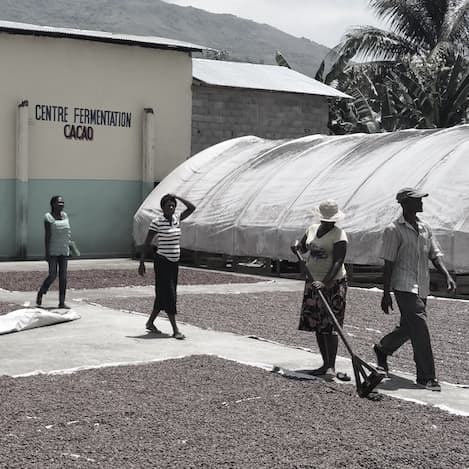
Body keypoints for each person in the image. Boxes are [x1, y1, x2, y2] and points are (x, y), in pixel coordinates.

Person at [374, 187, 456, 392]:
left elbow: (434, 255)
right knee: (419, 326)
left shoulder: (425, 228)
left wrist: (446, 275)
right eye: (417, 200)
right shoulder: (393, 229)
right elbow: (389, 263)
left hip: (422, 285)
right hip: (403, 285)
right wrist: (386, 294)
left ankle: (383, 348)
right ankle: (426, 376)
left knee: (409, 327)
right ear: (405, 204)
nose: (421, 203)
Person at [293, 199, 350, 381]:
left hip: (333, 284)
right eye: (326, 220)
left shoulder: (339, 235)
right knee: (317, 323)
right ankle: (325, 363)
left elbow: (338, 261)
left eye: (331, 220)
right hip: (312, 280)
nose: (328, 223)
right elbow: (302, 248)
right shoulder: (311, 229)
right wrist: (296, 249)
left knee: (330, 325)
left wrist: (325, 282)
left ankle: (331, 366)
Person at [138, 193, 195, 339]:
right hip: (162, 262)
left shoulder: (176, 219)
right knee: (170, 294)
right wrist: (142, 262)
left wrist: (177, 197)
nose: (171, 207)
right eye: (168, 205)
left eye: (173, 205)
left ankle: (150, 322)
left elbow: (192, 207)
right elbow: (147, 243)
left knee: (163, 294)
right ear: (162, 208)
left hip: (174, 263)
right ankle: (175, 329)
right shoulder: (157, 222)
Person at [36, 195, 71, 308]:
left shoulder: (65, 215)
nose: (61, 204)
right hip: (52, 251)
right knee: (52, 275)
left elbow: (67, 233)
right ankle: (41, 292)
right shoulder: (48, 217)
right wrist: (46, 253)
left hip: (64, 250)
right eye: (59, 202)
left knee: (63, 277)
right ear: (53, 204)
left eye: (62, 202)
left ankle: (61, 302)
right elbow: (47, 236)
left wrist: (70, 247)